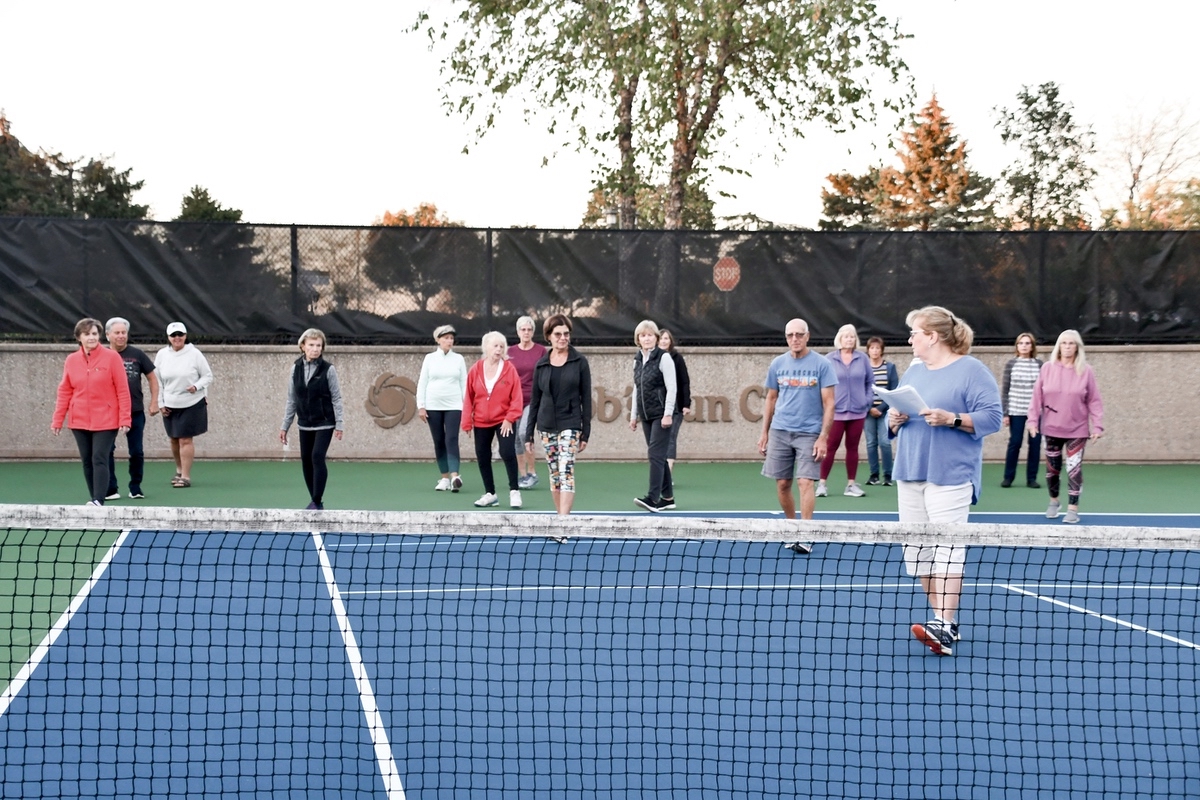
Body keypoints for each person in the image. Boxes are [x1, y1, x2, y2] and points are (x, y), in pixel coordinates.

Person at [888, 306, 1002, 656]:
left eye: (915, 333)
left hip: (951, 475)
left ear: (933, 336)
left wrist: (952, 419)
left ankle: (944, 623)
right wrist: (894, 420)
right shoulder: (914, 370)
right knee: (919, 555)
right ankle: (943, 622)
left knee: (948, 550)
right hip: (910, 471)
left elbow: (993, 417)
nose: (910, 339)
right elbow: (897, 421)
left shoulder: (972, 371)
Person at [756, 318, 837, 555]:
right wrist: (764, 433)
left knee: (805, 482)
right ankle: (792, 528)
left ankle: (805, 534)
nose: (795, 339)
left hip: (809, 433)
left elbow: (829, 403)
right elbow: (771, 399)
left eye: (799, 335)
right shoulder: (778, 364)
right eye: (790, 335)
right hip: (780, 431)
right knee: (782, 484)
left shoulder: (822, 365)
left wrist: (823, 437)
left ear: (807, 336)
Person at [52, 318, 132, 505]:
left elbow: (122, 390)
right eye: (87, 334)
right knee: (87, 460)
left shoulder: (112, 357)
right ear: (79, 338)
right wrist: (58, 420)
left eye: (95, 334)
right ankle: (94, 498)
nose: (92, 337)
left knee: (99, 457)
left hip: (106, 420)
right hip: (79, 420)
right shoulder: (71, 360)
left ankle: (98, 499)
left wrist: (125, 418)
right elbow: (65, 390)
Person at [1028, 330, 1104, 525]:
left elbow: (1094, 400)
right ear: (1059, 346)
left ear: (1077, 347)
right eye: (1064, 343)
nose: (1068, 347)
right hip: (1051, 428)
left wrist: (1098, 426)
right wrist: (1032, 421)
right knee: (1052, 470)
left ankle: (1073, 508)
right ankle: (1054, 501)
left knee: (1074, 469)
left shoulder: (1086, 370)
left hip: (1077, 429)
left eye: (1071, 343)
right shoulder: (1047, 368)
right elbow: (1037, 397)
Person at [525, 314, 591, 524]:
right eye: (558, 334)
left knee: (566, 470)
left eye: (566, 334)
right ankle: (560, 519)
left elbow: (586, 399)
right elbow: (534, 401)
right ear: (549, 337)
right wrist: (529, 434)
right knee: (554, 474)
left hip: (570, 423)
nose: (563, 338)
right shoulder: (541, 364)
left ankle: (563, 524)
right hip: (546, 426)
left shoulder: (579, 361)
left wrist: (585, 431)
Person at [280, 328, 344, 510]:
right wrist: (285, 426)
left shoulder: (329, 370)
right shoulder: (295, 369)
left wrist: (339, 424)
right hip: (305, 424)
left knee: (317, 456)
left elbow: (337, 398)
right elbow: (292, 399)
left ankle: (316, 500)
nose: (315, 349)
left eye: (318, 345)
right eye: (311, 345)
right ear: (303, 346)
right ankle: (315, 501)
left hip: (325, 422)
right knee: (306, 459)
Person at [464, 331, 525, 508]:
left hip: (504, 420)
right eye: (495, 346)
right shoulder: (476, 368)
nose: (498, 350)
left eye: (501, 346)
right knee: (483, 456)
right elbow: (468, 396)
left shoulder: (509, 369)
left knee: (507, 452)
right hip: (481, 421)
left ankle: (514, 491)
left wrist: (510, 418)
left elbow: (517, 397)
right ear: (486, 347)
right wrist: (467, 422)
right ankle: (490, 494)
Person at [103, 316, 160, 500]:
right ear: (108, 335)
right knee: (106, 450)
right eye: (117, 333)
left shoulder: (137, 354)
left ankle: (135, 487)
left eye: (124, 333)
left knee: (136, 452)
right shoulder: (100, 356)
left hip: (135, 412)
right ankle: (110, 488)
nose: (121, 336)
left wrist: (154, 402)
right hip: (109, 413)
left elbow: (152, 378)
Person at [815, 324, 874, 498]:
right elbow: (821, 383)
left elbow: (870, 382)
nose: (850, 339)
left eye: (852, 336)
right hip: (836, 412)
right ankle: (822, 484)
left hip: (858, 412)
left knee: (853, 448)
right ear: (839, 339)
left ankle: (851, 485)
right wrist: (825, 405)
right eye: (846, 336)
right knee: (830, 447)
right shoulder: (829, 359)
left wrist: (867, 400)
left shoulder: (862, 358)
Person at [155, 322, 213, 488]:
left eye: (180, 334)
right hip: (170, 403)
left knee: (185, 439)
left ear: (185, 336)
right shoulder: (161, 355)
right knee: (174, 439)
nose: (177, 338)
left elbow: (207, 376)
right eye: (173, 335)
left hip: (192, 402)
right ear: (168, 338)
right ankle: (179, 470)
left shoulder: (195, 354)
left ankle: (186, 476)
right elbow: (157, 381)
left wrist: (196, 387)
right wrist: (160, 402)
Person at [629, 320, 677, 512]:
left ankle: (653, 498)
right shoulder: (637, 360)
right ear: (638, 339)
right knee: (660, 456)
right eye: (643, 335)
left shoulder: (664, 358)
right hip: (646, 415)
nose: (646, 338)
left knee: (655, 455)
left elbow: (672, 388)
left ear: (656, 338)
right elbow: (636, 388)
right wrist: (633, 415)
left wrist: (667, 414)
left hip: (661, 415)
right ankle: (668, 498)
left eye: (650, 335)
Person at [417, 324, 468, 492]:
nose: (449, 341)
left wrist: (467, 406)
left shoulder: (458, 359)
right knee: (439, 441)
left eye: (451, 338)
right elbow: (422, 383)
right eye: (446, 338)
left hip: (454, 406)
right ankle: (444, 478)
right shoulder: (430, 358)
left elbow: (464, 384)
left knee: (451, 439)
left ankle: (455, 477)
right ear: (438, 340)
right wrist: (421, 406)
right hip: (433, 406)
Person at [1000, 332, 1044, 489]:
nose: (1024, 346)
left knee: (1035, 443)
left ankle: (1031, 478)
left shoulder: (1039, 364)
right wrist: (1005, 413)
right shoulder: (1011, 364)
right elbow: (1005, 389)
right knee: (1015, 442)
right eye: (1021, 343)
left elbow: (1044, 389)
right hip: (1015, 410)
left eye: (1027, 343)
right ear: (1017, 346)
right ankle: (1008, 477)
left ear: (1032, 346)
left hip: (1035, 412)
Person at [508, 315, 546, 489]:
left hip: (533, 399)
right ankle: (522, 475)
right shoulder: (510, 352)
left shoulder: (541, 351)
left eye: (529, 329)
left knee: (525, 433)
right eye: (523, 329)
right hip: (514, 400)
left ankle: (532, 472)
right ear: (518, 332)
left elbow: (546, 373)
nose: (526, 332)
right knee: (515, 439)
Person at [863, 336, 898, 487]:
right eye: (872, 348)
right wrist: (869, 408)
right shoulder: (863, 368)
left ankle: (888, 476)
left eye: (878, 348)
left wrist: (881, 408)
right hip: (867, 412)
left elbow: (894, 390)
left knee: (885, 442)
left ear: (882, 350)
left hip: (884, 412)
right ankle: (874, 475)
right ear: (868, 350)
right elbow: (860, 389)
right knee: (871, 443)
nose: (875, 351)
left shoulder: (889, 367)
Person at [658, 328, 692, 473]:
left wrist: (686, 404)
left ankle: (668, 472)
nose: (664, 341)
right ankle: (659, 471)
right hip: (657, 405)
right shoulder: (652, 358)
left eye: (666, 338)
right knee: (659, 441)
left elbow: (684, 381)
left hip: (676, 406)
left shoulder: (677, 358)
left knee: (671, 438)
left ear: (670, 341)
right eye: (661, 338)